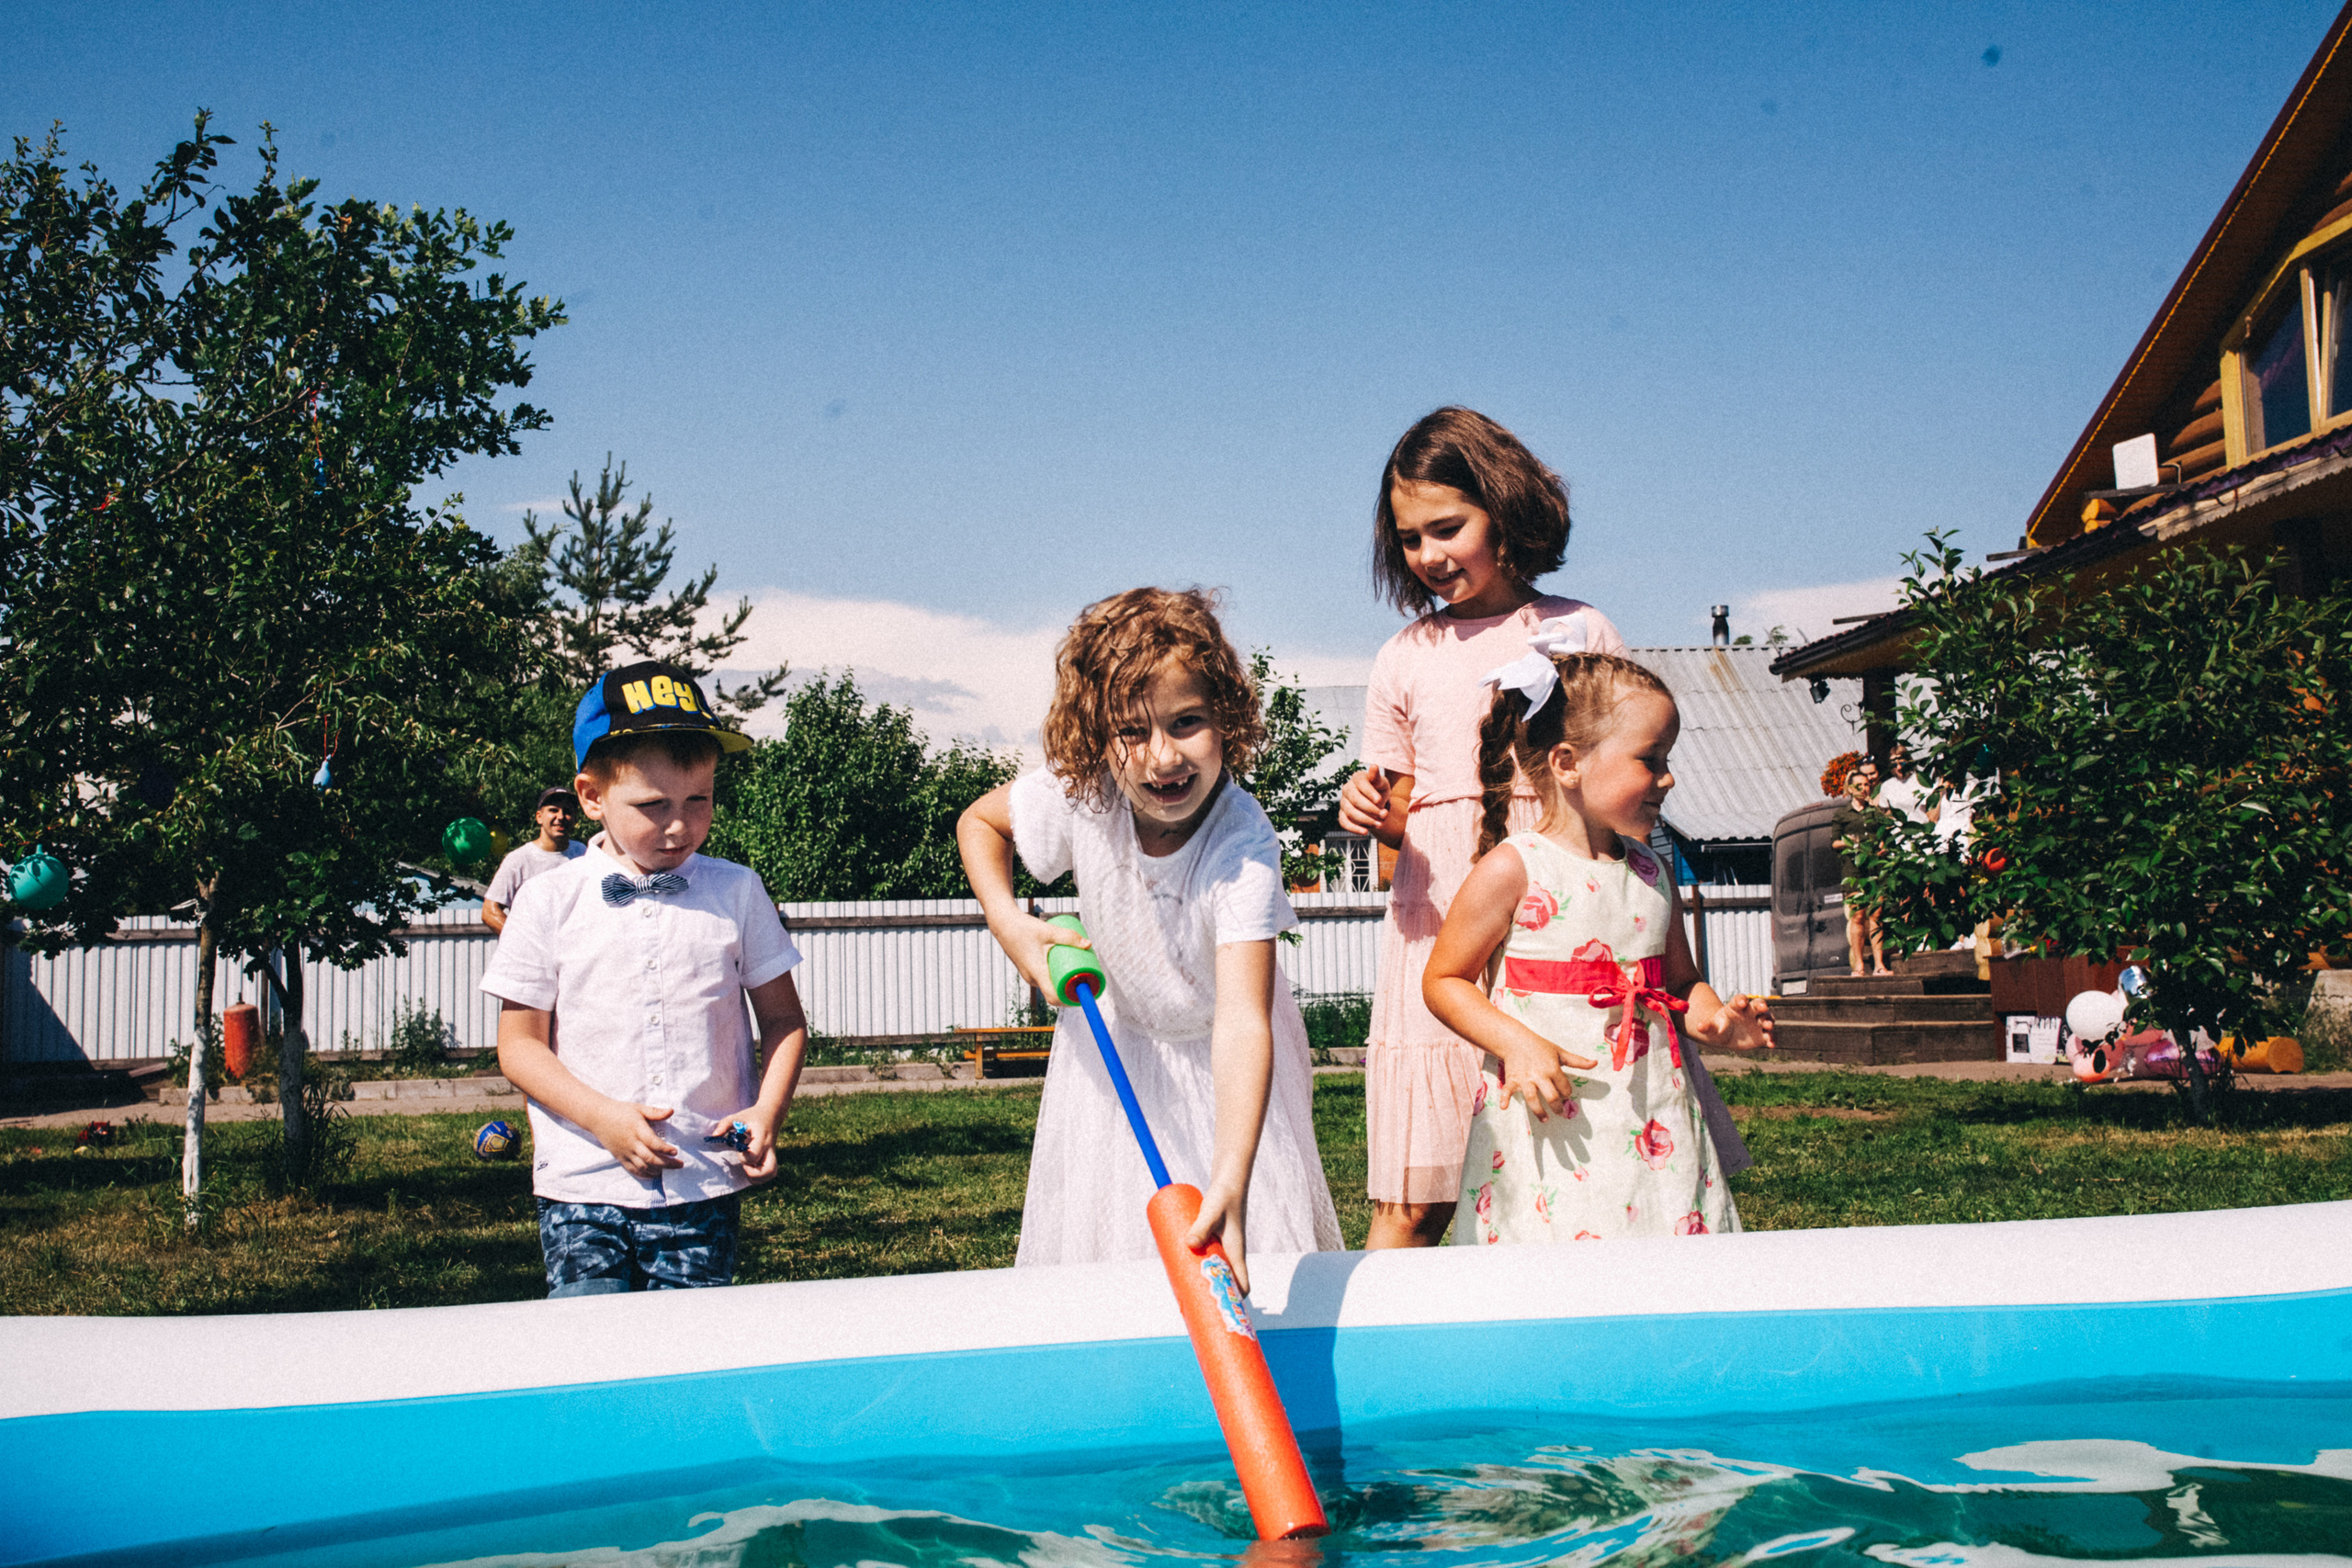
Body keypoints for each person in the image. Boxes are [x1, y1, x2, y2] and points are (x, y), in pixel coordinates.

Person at [1333, 405, 1750, 1250]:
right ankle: (1396, 1366)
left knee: (1575, 1164)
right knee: (1416, 1196)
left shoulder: (1579, 628)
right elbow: (1394, 834)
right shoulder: (1403, 655)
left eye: (1448, 527)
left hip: (1565, 925)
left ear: (1505, 508)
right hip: (1440, 922)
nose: (1430, 556)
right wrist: (1370, 812)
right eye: (1411, 539)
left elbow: (1620, 767)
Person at [957, 587, 1341, 1290]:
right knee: (1112, 1248)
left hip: (1222, 1054)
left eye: (1187, 721)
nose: (1163, 756)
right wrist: (1011, 925)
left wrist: (1232, 1176)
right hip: (1115, 1053)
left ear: (1227, 720)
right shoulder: (1086, 793)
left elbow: (1242, 1021)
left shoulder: (1243, 846)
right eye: (1132, 731)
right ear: (1098, 736)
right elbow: (979, 824)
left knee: (1235, 1242)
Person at [1421, 650, 1774, 1245]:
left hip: (1652, 1113)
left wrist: (1715, 1020)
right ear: (1568, 763)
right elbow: (1444, 979)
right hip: (1553, 1119)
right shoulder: (1515, 869)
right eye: (1650, 760)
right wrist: (1519, 1043)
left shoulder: (1653, 872)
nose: (1668, 777)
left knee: (1661, 1258)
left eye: (1668, 760)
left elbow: (1681, 982)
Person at [482, 660, 811, 1297]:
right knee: (592, 1362)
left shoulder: (737, 891)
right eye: (653, 805)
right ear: (590, 796)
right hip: (583, 1182)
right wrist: (603, 1117)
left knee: (689, 1363)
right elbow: (519, 1045)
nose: (680, 825)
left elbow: (784, 1021)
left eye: (699, 800)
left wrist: (767, 1110)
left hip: (701, 1181)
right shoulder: (547, 901)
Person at [482, 786, 586, 934]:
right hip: (533, 954)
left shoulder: (583, 853)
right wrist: (524, 942)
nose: (561, 816)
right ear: (539, 817)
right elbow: (489, 911)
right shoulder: (519, 860)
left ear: (574, 818)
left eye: (567, 811)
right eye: (553, 810)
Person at [1833, 766, 1890, 977]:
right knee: (1858, 917)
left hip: (1875, 869)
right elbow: (1835, 842)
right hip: (1853, 870)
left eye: (1867, 785)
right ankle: (1859, 966)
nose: (1864, 788)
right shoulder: (1842, 814)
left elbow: (1884, 837)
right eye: (1859, 785)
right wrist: (1850, 843)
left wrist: (1883, 847)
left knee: (1876, 915)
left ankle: (1880, 965)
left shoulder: (1876, 813)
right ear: (1850, 788)